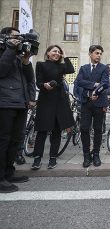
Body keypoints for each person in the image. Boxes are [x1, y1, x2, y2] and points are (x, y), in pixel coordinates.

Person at [0, 27, 36, 193]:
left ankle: (9, 172)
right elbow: (2, 71)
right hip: (5, 102)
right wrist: (9, 49)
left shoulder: (18, 56)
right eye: (16, 37)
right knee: (3, 141)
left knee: (15, 140)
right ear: (6, 37)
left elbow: (29, 79)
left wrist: (26, 61)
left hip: (20, 103)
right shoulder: (4, 51)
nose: (19, 40)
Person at [31, 45, 75, 170]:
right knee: (42, 131)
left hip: (60, 102)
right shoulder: (40, 64)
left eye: (59, 52)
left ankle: (52, 159)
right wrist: (44, 85)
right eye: (54, 51)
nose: (57, 53)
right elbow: (38, 82)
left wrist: (65, 56)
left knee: (56, 131)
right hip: (45, 101)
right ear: (48, 53)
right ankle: (37, 158)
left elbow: (71, 69)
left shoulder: (61, 66)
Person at [76, 45, 109, 168]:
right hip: (86, 103)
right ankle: (86, 155)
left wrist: (96, 92)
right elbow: (79, 82)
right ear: (90, 54)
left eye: (100, 53)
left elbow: (105, 83)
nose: (99, 55)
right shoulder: (84, 68)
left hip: (99, 103)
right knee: (84, 128)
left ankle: (96, 154)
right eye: (96, 53)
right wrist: (94, 85)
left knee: (98, 129)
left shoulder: (104, 68)